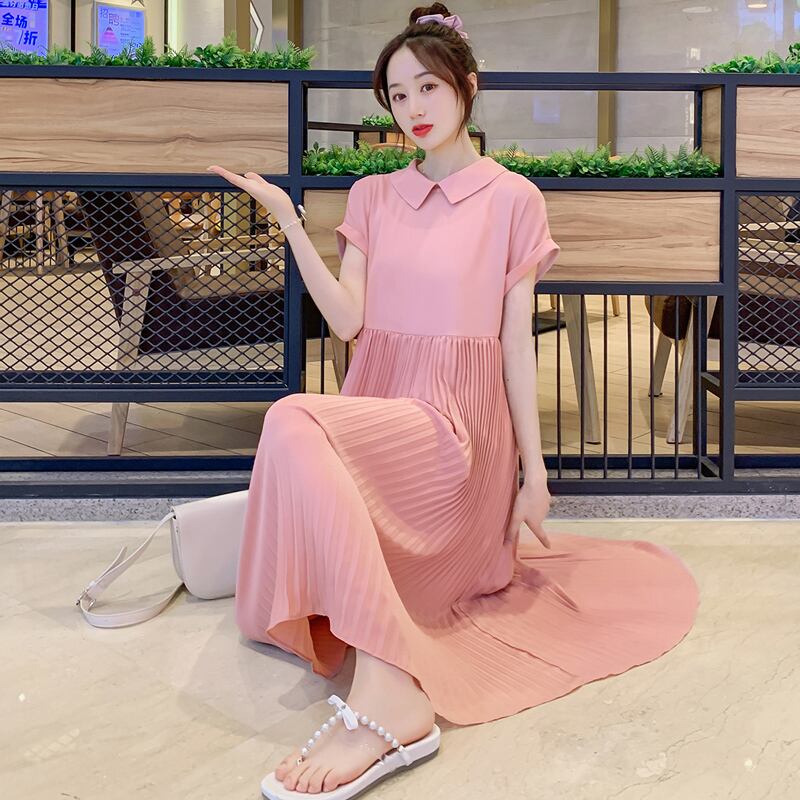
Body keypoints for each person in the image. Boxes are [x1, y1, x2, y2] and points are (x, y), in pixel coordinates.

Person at [208, 4, 700, 798]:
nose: (413, 108)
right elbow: (349, 321)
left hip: (458, 433)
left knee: (294, 416)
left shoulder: (514, 199)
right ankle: (387, 681)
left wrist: (533, 474)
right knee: (295, 419)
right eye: (398, 95)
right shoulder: (372, 195)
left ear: (467, 85)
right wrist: (291, 224)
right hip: (384, 407)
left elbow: (514, 343)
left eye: (428, 87)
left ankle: (390, 697)